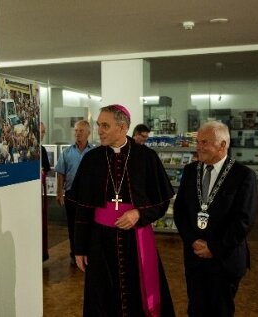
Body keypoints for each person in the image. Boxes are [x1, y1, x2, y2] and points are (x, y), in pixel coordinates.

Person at [71, 104, 176, 316]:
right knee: (102, 298)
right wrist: (79, 248)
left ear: (122, 127)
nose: (99, 130)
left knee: (137, 293)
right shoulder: (92, 160)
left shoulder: (146, 157)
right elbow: (82, 208)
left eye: (105, 125)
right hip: (100, 242)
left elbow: (162, 201)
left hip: (135, 240)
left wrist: (139, 213)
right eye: (99, 125)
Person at [173, 121, 257, 317]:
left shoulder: (243, 175)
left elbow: (243, 221)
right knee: (196, 309)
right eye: (198, 142)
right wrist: (192, 240)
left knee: (220, 311)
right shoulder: (190, 171)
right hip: (195, 258)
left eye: (204, 142)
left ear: (222, 145)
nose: (199, 147)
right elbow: (180, 212)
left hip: (224, 260)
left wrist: (214, 248)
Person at [54, 120, 93, 265]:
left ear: (88, 133)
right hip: (71, 195)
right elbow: (60, 174)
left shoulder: (94, 152)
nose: (77, 133)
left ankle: (88, 252)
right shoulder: (67, 153)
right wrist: (59, 193)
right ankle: (74, 253)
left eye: (81, 131)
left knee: (89, 225)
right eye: (76, 130)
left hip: (89, 196)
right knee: (73, 225)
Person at [40, 122, 51, 261]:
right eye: (40, 131)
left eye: (43, 132)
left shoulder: (41, 149)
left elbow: (46, 169)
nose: (42, 134)